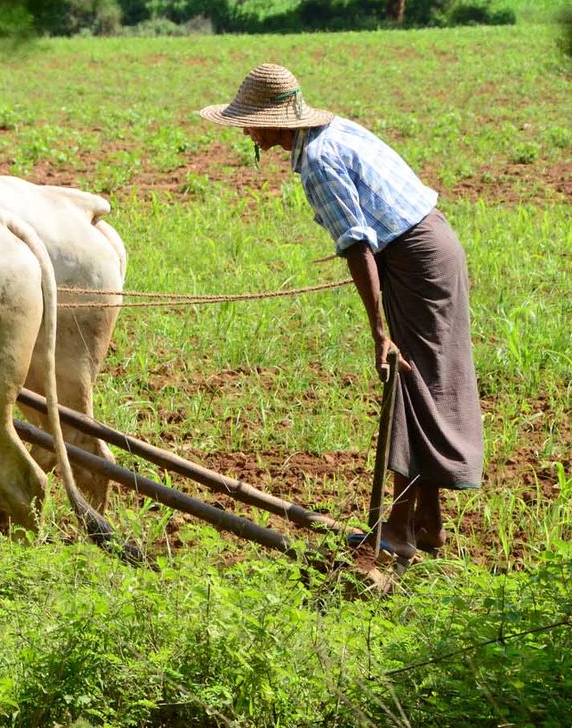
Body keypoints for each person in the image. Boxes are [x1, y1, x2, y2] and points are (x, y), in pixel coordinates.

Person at [199, 63, 484, 561]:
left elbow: (357, 246)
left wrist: (379, 333)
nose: (244, 129)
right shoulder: (335, 131)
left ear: (273, 121)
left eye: (248, 120)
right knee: (424, 384)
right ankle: (427, 525)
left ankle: (396, 530)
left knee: (412, 381)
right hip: (427, 248)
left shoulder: (317, 163)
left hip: (417, 261)